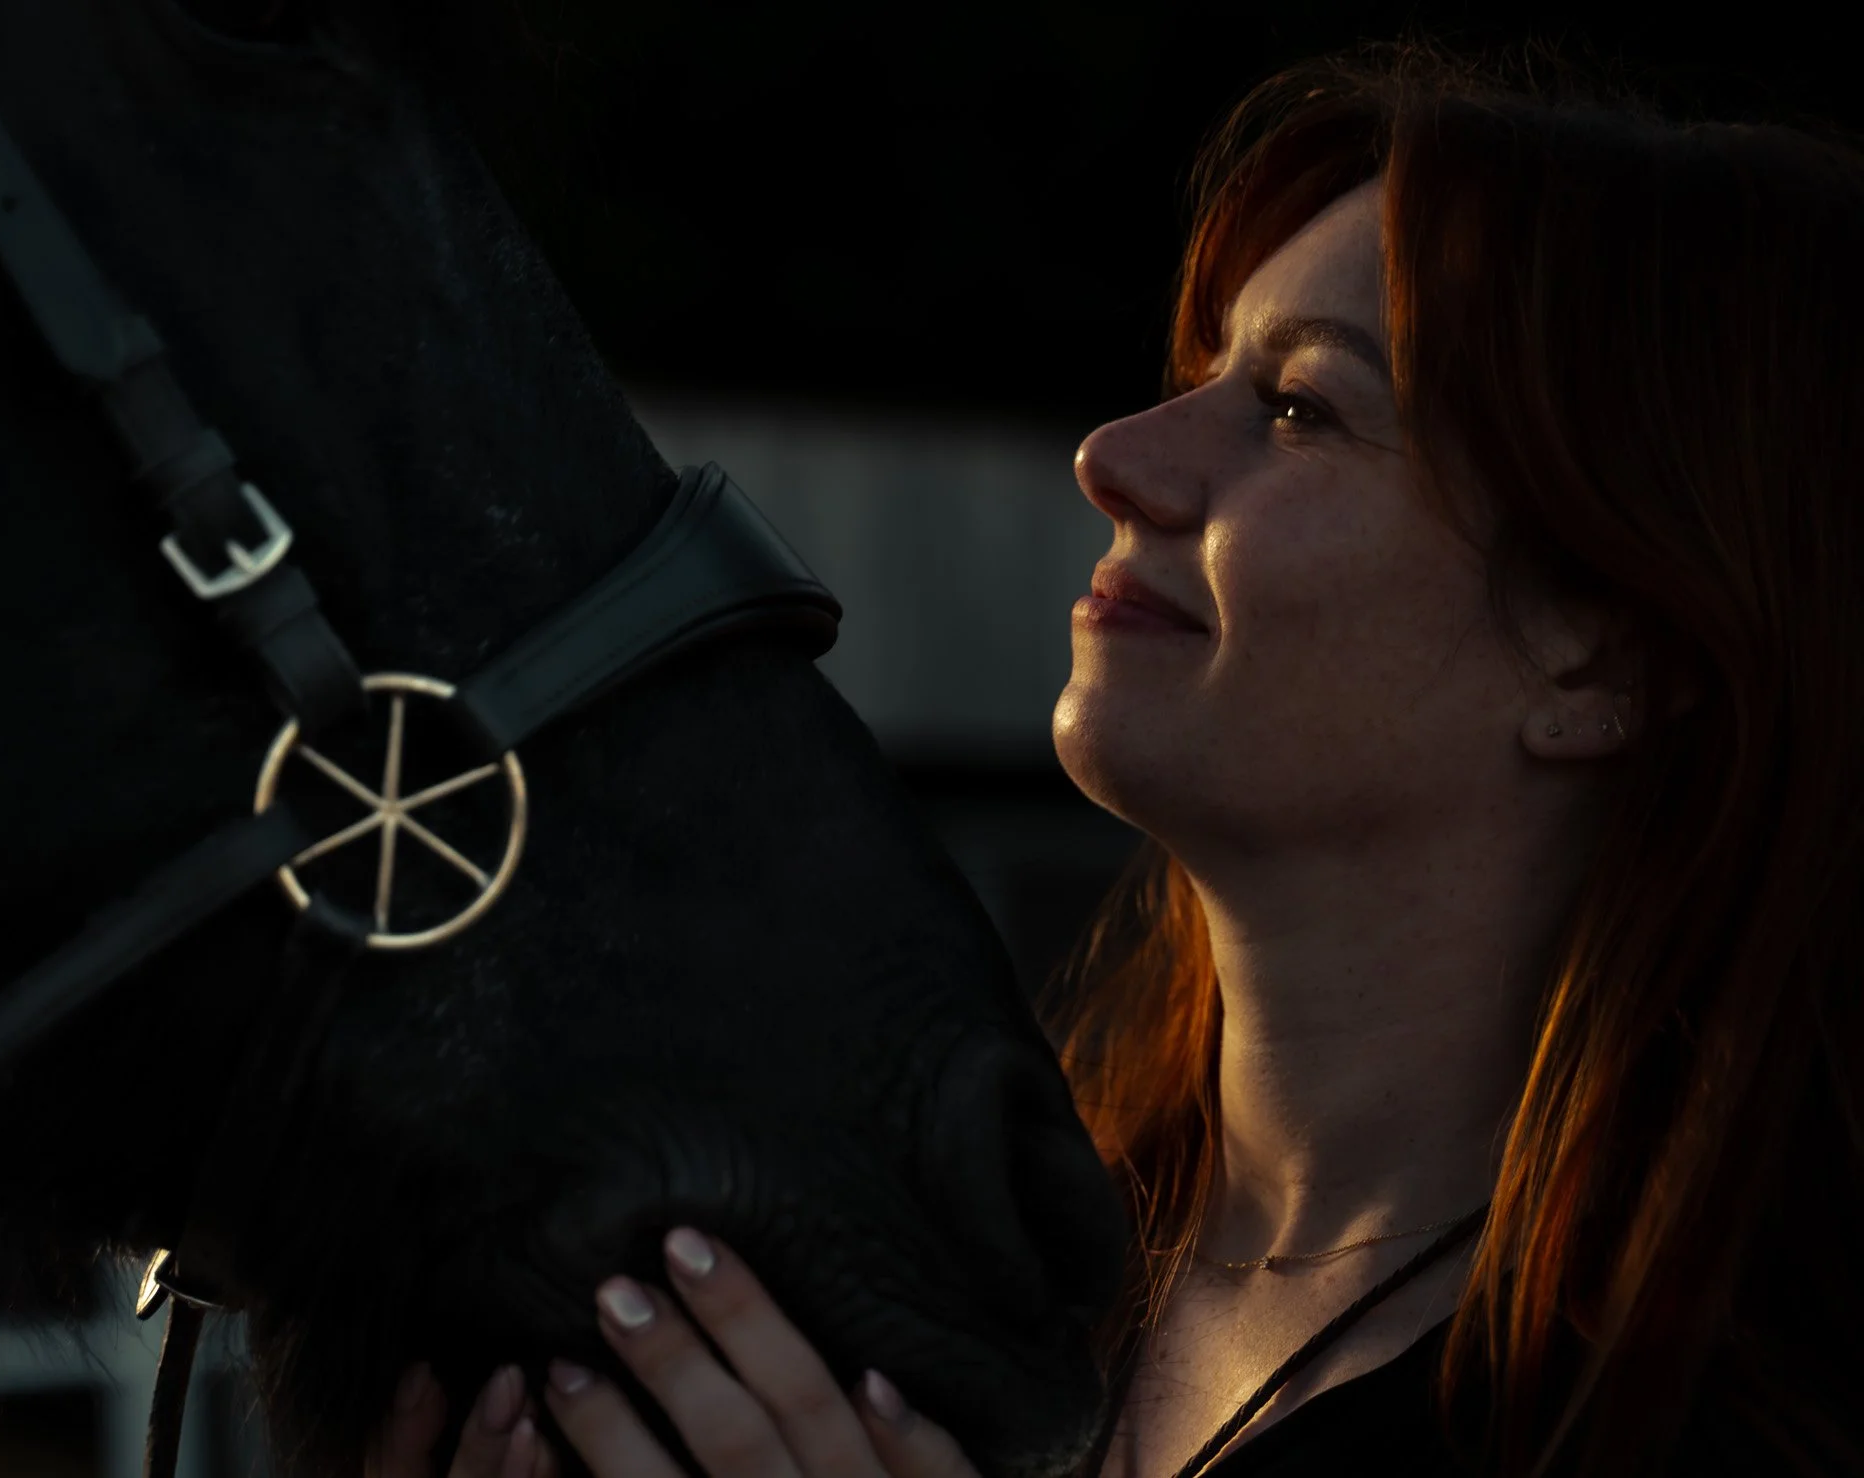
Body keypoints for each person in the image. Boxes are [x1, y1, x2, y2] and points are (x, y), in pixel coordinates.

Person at [369, 32, 1864, 1478]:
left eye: (1299, 407)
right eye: (1200, 374)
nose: (1118, 455)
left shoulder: (1741, 1416)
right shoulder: (913, 1294)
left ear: (1596, 655)